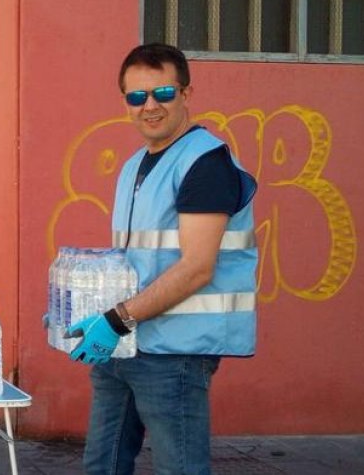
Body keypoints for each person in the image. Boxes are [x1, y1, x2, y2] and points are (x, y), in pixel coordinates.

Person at [66, 43, 258, 475]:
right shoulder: (135, 165)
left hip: (176, 352)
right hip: (124, 344)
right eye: (137, 96)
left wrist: (115, 319)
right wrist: (81, 309)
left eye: (163, 93)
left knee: (180, 468)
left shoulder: (205, 163)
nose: (149, 106)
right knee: (103, 465)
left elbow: (197, 268)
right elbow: (133, 260)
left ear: (186, 94)